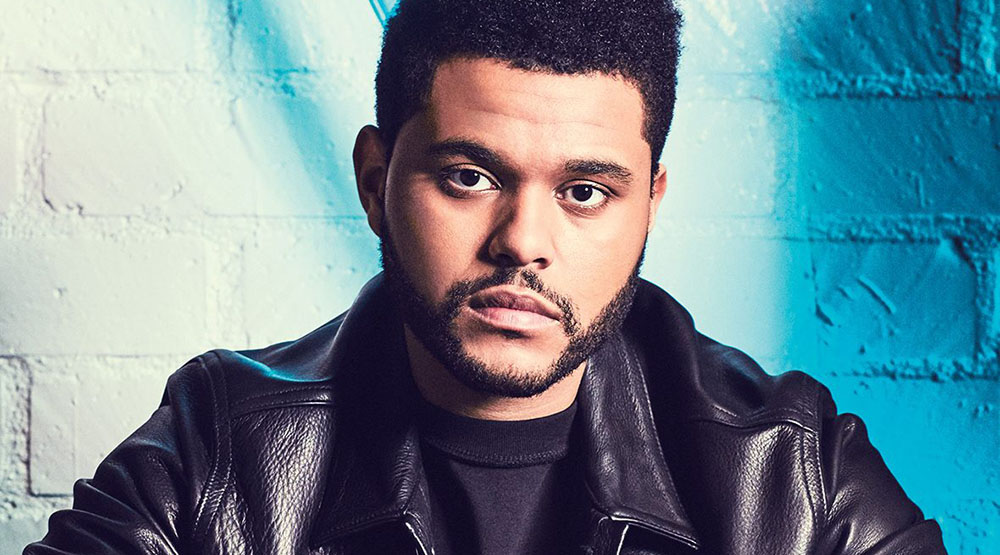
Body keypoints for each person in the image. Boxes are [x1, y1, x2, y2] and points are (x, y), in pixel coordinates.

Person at [26, 0, 947, 553]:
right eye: (470, 177)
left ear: (649, 206)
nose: (523, 242)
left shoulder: (788, 469)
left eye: (585, 191)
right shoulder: (223, 452)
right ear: (377, 182)